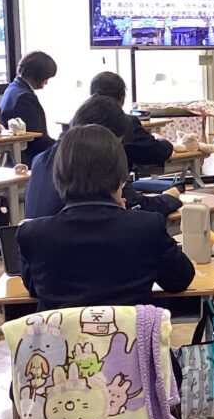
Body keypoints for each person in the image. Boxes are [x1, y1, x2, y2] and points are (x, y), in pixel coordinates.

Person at [18, 124, 194, 312]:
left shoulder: (33, 234)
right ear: (119, 174)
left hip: (61, 332)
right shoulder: (147, 226)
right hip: (129, 331)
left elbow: (35, 289)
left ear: (59, 175)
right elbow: (180, 280)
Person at [25, 95, 182, 219]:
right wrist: (169, 197)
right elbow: (140, 207)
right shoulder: (92, 162)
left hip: (44, 244)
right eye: (116, 143)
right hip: (76, 243)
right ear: (101, 135)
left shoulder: (41, 159)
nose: (115, 150)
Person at [90, 71, 174, 170]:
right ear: (122, 98)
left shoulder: (78, 120)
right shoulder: (124, 122)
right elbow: (158, 152)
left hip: (78, 179)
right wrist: (162, 141)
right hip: (112, 179)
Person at [0, 50, 57, 165]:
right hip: (30, 160)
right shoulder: (24, 97)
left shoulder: (12, 89)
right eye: (46, 78)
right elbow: (37, 139)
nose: (46, 83)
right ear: (38, 75)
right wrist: (60, 146)